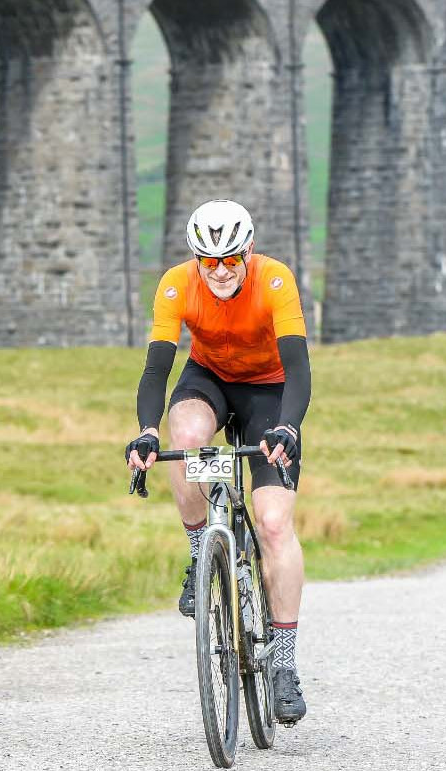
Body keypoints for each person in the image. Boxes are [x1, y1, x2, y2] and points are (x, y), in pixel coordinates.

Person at [125, 199, 312, 725]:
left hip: (270, 393)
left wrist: (288, 427)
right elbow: (156, 368)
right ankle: (199, 554)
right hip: (209, 380)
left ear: (248, 251)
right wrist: (145, 431)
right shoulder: (175, 284)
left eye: (232, 258)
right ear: (196, 260)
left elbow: (298, 367)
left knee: (275, 525)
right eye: (210, 262)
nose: (223, 270)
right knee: (183, 440)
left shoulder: (275, 281)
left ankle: (283, 663)